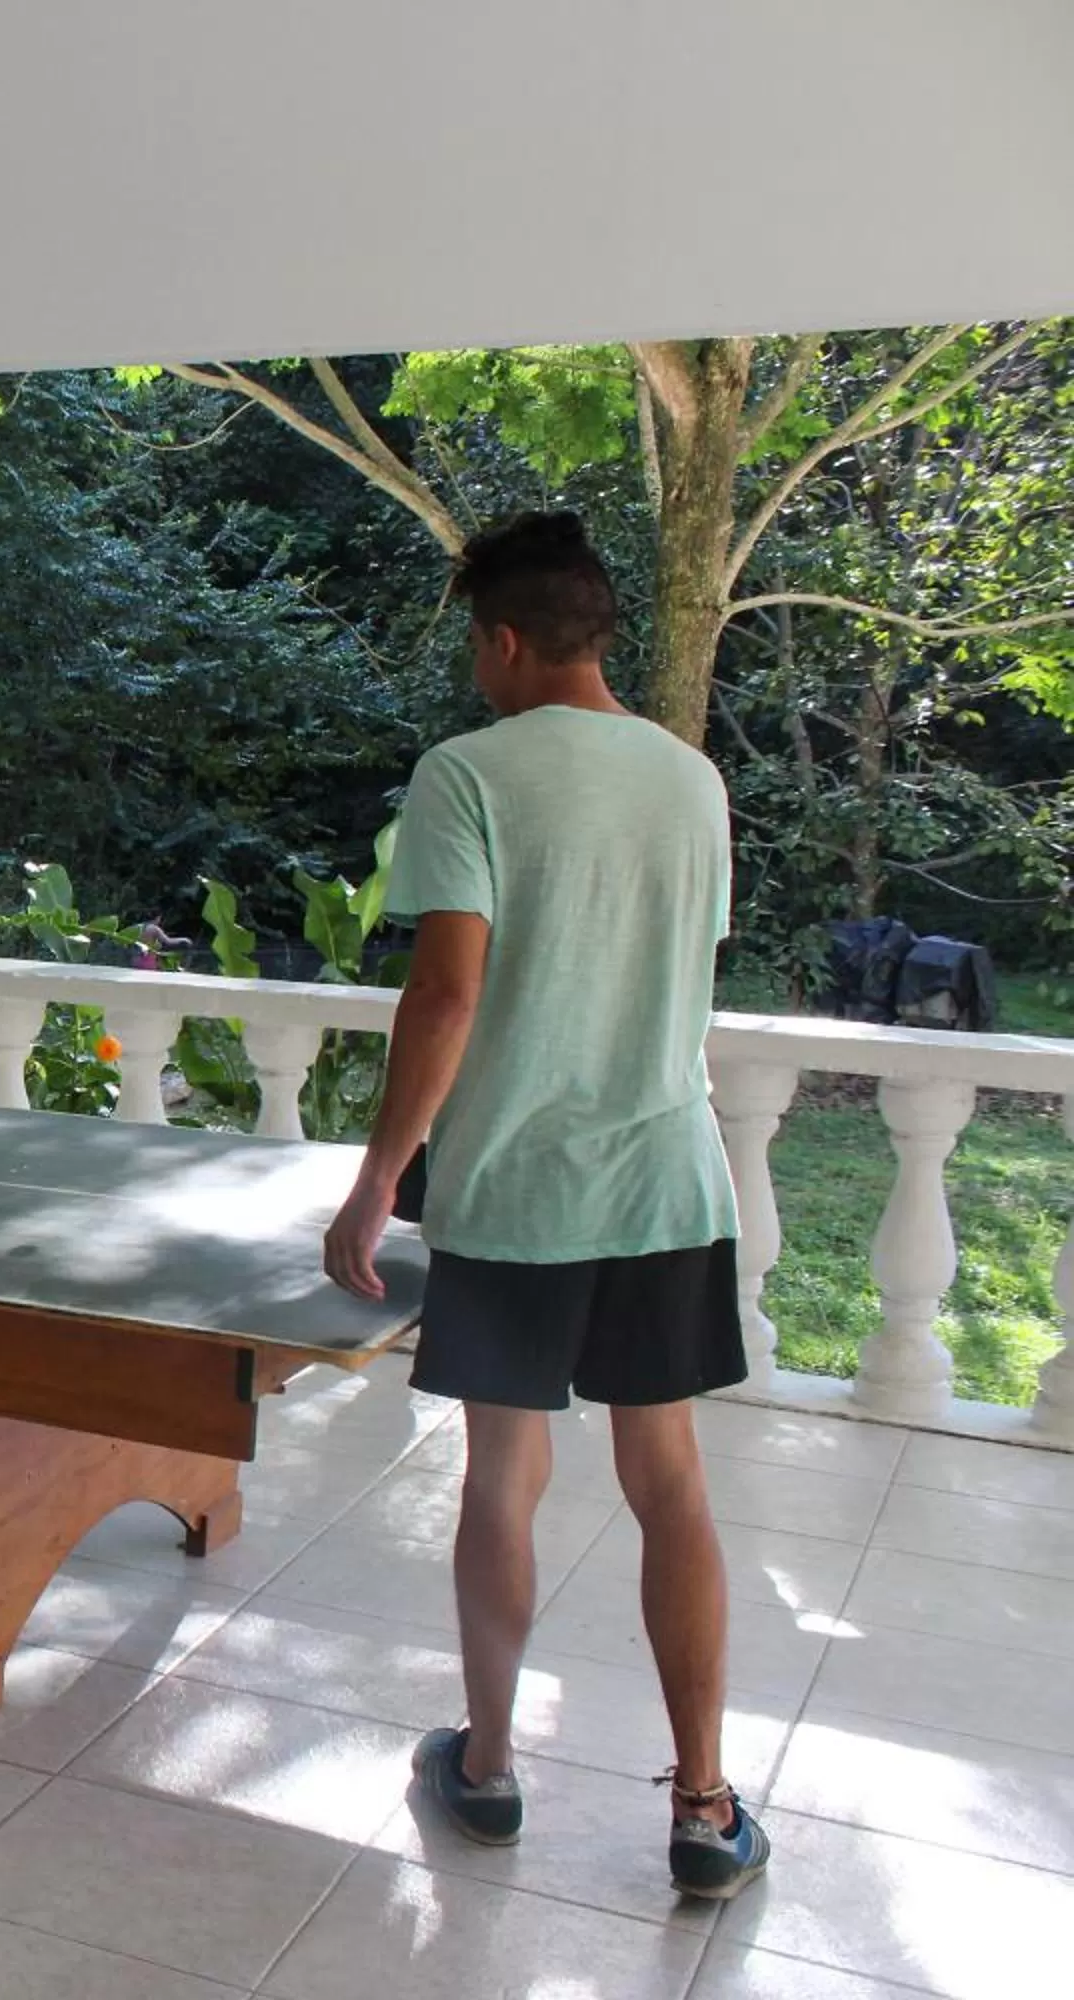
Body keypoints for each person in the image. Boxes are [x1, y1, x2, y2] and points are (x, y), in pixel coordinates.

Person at [321, 512, 770, 1900]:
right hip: (663, 1182)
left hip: (517, 1193)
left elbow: (448, 994)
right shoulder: (693, 781)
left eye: (476, 648)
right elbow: (670, 973)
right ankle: (702, 1807)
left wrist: (379, 1176)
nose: (477, 674)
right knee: (672, 1486)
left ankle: (493, 1768)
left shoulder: (467, 775)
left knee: (505, 1481)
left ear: (505, 641)